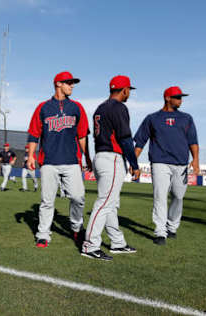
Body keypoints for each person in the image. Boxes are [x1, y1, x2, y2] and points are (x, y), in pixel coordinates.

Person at [27, 71, 91, 249]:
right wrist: (31, 155)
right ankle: (43, 234)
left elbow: (83, 136)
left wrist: (88, 157)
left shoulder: (77, 107)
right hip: (49, 161)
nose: (72, 86)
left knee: (78, 197)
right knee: (47, 201)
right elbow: (33, 134)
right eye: (69, 83)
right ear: (58, 84)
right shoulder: (43, 107)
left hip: (72, 161)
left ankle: (77, 227)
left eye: (72, 83)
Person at [81, 75, 140, 261]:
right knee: (105, 203)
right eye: (129, 89)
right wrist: (134, 164)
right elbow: (125, 138)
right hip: (112, 157)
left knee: (111, 203)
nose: (129, 93)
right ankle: (90, 245)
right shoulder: (119, 107)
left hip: (101, 156)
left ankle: (117, 242)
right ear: (124, 90)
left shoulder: (101, 107)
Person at [134, 86, 199, 246]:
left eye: (181, 97)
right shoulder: (152, 118)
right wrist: (133, 161)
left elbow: (193, 141)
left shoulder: (187, 118)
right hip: (159, 162)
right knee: (160, 196)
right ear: (167, 98)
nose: (180, 100)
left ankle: (172, 226)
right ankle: (160, 232)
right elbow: (140, 141)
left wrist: (195, 159)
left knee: (178, 196)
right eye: (177, 97)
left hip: (181, 163)